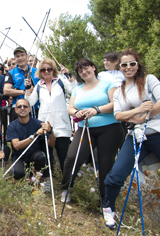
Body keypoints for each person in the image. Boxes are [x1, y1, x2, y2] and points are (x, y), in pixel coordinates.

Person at [101, 49, 160, 228]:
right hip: (136, 136)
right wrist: (139, 112)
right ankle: (108, 209)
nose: (128, 67)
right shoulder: (119, 91)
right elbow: (119, 115)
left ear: (137, 65)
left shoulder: (149, 80)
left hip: (157, 132)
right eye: (124, 64)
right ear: (119, 67)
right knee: (116, 174)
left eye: (132, 64)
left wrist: (144, 117)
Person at [60, 58, 124, 203]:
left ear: (94, 67)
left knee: (105, 163)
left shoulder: (108, 84)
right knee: (72, 158)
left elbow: (116, 104)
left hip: (109, 129)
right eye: (80, 71)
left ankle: (105, 199)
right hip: (85, 128)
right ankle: (66, 188)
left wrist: (97, 110)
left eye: (86, 68)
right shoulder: (77, 89)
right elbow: (71, 108)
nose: (84, 72)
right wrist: (76, 113)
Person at [25, 59, 77, 174]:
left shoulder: (61, 81)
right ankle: (48, 180)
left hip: (62, 124)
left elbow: (75, 90)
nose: (46, 71)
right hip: (46, 125)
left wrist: (70, 75)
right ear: (40, 72)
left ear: (53, 70)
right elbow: (30, 102)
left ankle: (67, 182)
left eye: (49, 69)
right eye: (43, 69)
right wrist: (28, 88)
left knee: (63, 155)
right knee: (47, 156)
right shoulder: (38, 85)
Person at [7, 99, 54, 187]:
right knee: (18, 174)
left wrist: (50, 131)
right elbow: (16, 146)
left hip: (35, 156)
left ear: (29, 109)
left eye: (25, 106)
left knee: (41, 156)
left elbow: (51, 144)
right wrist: (35, 135)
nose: (22, 108)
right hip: (20, 156)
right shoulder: (12, 126)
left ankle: (36, 180)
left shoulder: (38, 123)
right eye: (19, 107)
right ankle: (27, 178)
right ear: (16, 110)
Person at [4, 47, 36, 122]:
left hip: (34, 107)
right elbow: (6, 91)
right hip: (18, 108)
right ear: (15, 58)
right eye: (17, 56)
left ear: (27, 56)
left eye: (22, 55)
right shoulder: (11, 73)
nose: (20, 58)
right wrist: (24, 91)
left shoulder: (36, 71)